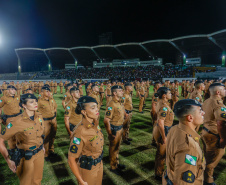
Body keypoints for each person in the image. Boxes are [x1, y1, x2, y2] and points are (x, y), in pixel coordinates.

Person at [0, 93, 45, 185]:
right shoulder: (16, 122)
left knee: (37, 181)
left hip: (40, 154)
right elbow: (1, 140)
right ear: (23, 105)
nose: (35, 103)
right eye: (31, 102)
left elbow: (40, 134)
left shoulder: (39, 116)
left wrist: (42, 146)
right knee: (26, 183)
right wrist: (8, 160)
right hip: (25, 157)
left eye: (36, 101)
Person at [163, 99, 205, 185]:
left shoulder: (175, 128)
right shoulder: (189, 147)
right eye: (200, 111)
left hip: (170, 177)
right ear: (190, 118)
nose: (203, 113)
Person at [68, 96, 104, 185]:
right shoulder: (80, 132)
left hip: (99, 164)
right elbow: (71, 159)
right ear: (84, 112)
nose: (97, 110)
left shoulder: (95, 123)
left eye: (96, 106)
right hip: (88, 169)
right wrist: (81, 181)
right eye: (93, 108)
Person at [201, 83, 226, 185]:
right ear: (218, 92)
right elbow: (220, 123)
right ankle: (208, 181)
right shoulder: (218, 104)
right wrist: (223, 138)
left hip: (206, 131)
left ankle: (204, 176)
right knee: (212, 161)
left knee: (207, 157)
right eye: (224, 89)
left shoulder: (206, 101)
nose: (225, 91)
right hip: (214, 135)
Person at [104, 85, 126, 175]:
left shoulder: (119, 102)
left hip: (120, 128)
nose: (122, 92)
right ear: (114, 93)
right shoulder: (111, 104)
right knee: (113, 148)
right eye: (120, 91)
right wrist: (109, 133)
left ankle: (116, 163)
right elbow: (106, 120)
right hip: (115, 130)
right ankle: (113, 167)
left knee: (117, 148)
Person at [153, 87, 174, 180]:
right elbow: (161, 122)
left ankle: (159, 172)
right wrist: (164, 136)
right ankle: (159, 173)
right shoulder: (164, 106)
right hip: (164, 130)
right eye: (169, 93)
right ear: (164, 95)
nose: (171, 95)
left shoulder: (161, 102)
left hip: (162, 129)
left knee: (160, 153)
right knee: (161, 154)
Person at [38, 86, 58, 161]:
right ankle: (46, 154)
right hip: (45, 121)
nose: (49, 92)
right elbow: (35, 111)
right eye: (47, 91)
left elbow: (55, 107)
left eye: (49, 91)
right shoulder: (39, 101)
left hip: (53, 120)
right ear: (42, 92)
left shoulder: (52, 100)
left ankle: (51, 151)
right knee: (46, 138)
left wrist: (55, 117)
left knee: (52, 136)